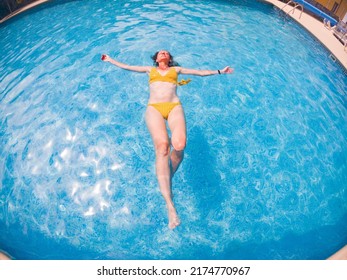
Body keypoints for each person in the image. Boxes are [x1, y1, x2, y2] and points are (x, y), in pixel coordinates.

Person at [102, 50, 233, 229]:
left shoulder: (176, 71)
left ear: (169, 59)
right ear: (156, 59)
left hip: (173, 107)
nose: (163, 53)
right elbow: (127, 67)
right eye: (160, 53)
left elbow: (199, 72)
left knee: (179, 145)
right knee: (163, 146)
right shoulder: (149, 70)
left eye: (166, 53)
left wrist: (220, 71)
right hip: (154, 108)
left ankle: (166, 175)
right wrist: (110, 60)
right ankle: (170, 206)